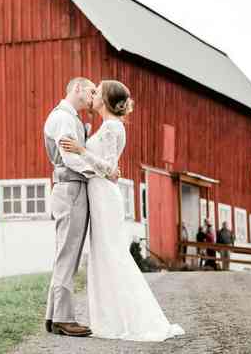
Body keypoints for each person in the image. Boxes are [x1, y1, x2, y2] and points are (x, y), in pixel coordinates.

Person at [60, 80, 184, 341]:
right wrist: (104, 166)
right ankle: (111, 319)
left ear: (104, 100)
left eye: (97, 92)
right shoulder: (108, 126)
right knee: (104, 255)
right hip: (101, 192)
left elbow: (106, 166)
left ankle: (128, 320)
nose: (92, 95)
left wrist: (82, 149)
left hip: (104, 197)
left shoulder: (112, 127)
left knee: (112, 255)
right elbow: (109, 167)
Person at [42, 77, 113, 337]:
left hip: (70, 188)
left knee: (66, 252)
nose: (94, 96)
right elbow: (70, 158)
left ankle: (53, 315)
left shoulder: (67, 117)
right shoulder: (63, 118)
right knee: (68, 254)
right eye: (91, 90)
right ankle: (63, 318)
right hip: (71, 187)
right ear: (78, 89)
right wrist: (100, 172)